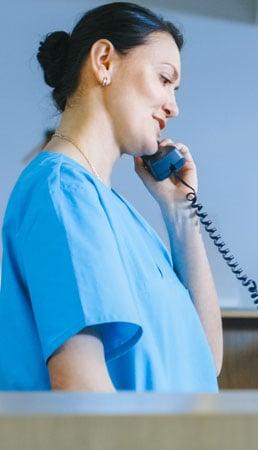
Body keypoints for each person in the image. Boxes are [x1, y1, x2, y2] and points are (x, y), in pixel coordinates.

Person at [0, 2, 221, 391]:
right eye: (164, 79)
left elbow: (207, 359)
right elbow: (83, 392)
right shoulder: (63, 194)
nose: (174, 105)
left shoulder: (112, 210)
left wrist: (180, 212)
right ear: (104, 61)